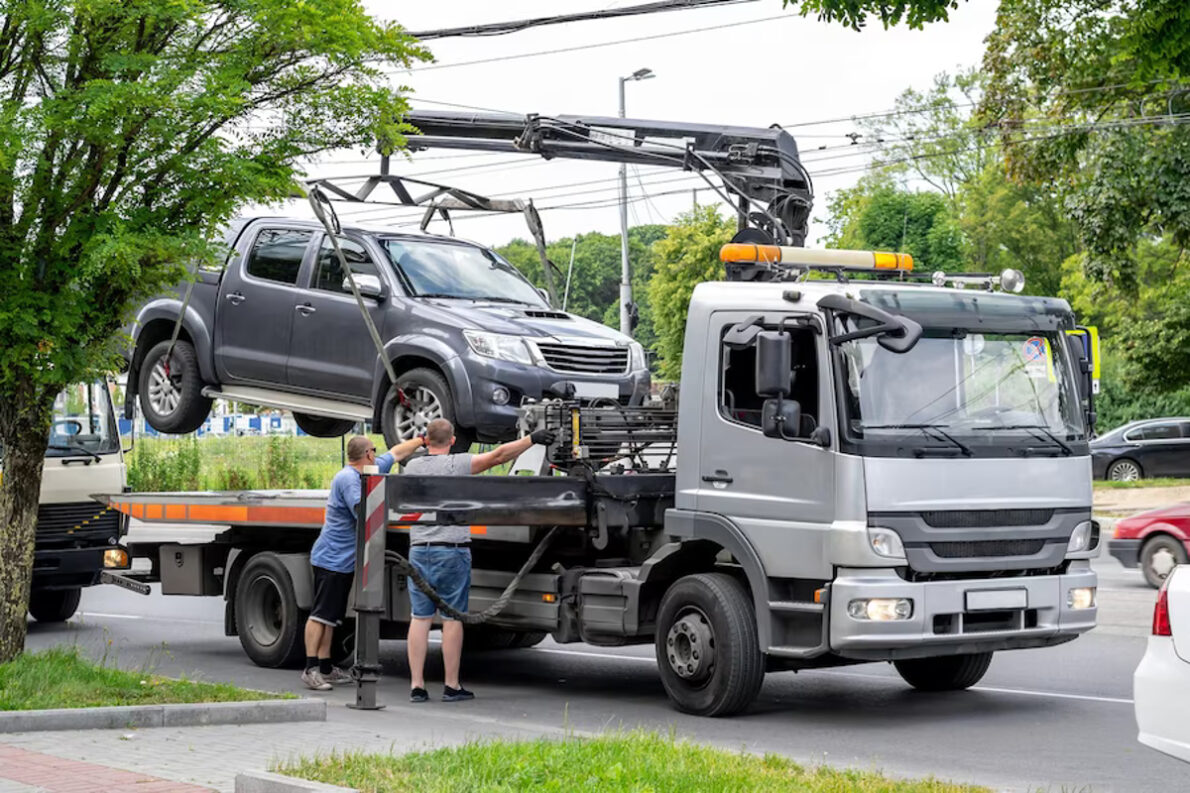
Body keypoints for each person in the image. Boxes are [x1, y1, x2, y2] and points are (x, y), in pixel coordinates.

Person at [402, 418, 555, 703]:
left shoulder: (413, 467)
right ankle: (451, 685)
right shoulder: (457, 464)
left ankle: (417, 686)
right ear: (452, 441)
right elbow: (498, 455)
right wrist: (532, 439)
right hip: (451, 549)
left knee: (420, 618)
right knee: (452, 619)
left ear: (426, 440)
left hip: (419, 549)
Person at [301, 433, 425, 691]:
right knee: (321, 615)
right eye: (374, 450)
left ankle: (326, 668)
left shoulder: (367, 470)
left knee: (332, 618)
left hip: (343, 561)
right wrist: (403, 513)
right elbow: (365, 512)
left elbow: (397, 453)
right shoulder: (348, 480)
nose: (377, 454)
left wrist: (421, 440)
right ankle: (310, 669)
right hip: (331, 559)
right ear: (367, 454)